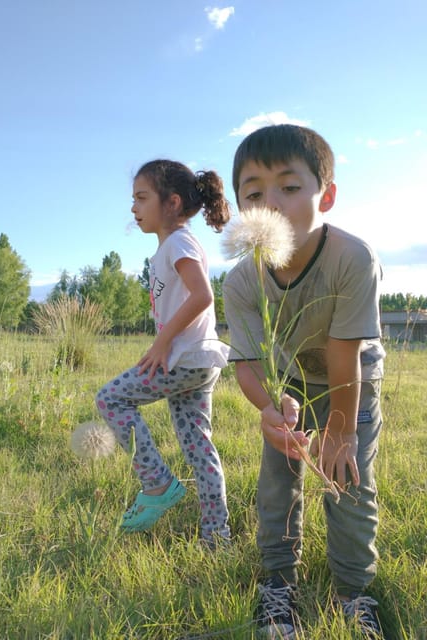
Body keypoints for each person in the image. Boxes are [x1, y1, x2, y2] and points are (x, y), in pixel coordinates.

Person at [222, 124, 385, 638]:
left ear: (326, 195)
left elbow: (345, 356)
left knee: (348, 480)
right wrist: (270, 410)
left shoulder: (352, 259)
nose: (270, 204)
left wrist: (339, 431)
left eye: (289, 188)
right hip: (287, 380)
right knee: (277, 482)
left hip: (353, 378)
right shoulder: (240, 278)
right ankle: (278, 585)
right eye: (253, 194)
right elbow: (248, 360)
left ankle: (353, 592)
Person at [96, 159, 232, 545]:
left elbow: (203, 295)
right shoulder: (172, 246)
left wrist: (163, 342)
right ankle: (216, 537)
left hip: (184, 359)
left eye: (141, 198)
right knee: (198, 446)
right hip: (197, 360)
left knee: (110, 398)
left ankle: (156, 482)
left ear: (171, 203)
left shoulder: (179, 242)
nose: (134, 207)